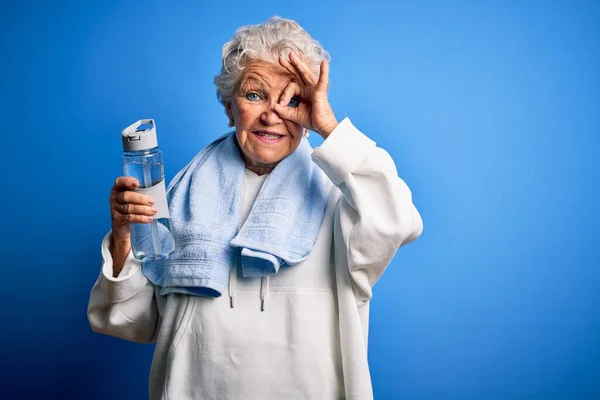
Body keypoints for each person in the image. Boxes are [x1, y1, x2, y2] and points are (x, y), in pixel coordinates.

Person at [87, 16, 423, 400]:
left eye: (293, 99)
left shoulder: (342, 196)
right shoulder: (179, 194)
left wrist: (331, 128)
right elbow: (129, 319)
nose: (272, 114)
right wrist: (124, 236)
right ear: (230, 107)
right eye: (254, 95)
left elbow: (398, 222)